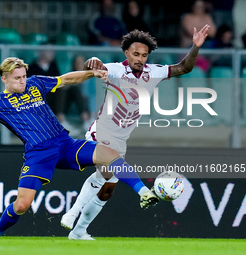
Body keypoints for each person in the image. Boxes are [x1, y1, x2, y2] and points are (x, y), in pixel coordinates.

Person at [0, 57, 158, 240]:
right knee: (22, 205)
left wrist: (93, 73)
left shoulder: (36, 84)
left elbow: (68, 79)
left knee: (109, 153)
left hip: (64, 143)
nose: (22, 81)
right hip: (38, 153)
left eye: (24, 76)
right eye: (17, 78)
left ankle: (143, 192)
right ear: (3, 78)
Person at [61, 25, 211, 240]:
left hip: (121, 139)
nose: (140, 59)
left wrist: (195, 47)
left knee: (107, 189)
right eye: (136, 54)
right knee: (106, 173)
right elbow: (94, 67)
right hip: (101, 132)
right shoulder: (115, 70)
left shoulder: (155, 72)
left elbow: (183, 68)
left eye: (144, 55)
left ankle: (79, 231)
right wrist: (91, 61)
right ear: (126, 53)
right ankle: (72, 213)